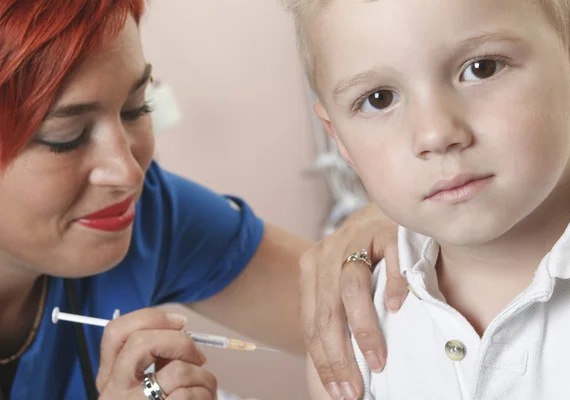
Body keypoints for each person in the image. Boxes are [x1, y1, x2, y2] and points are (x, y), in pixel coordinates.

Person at [0, 1, 407, 399]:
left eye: (136, 108)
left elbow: (356, 317)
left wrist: (384, 222)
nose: (128, 174)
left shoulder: (145, 215)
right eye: (65, 137)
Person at [281, 0, 570, 398]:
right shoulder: (353, 337)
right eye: (379, 99)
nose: (435, 133)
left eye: (481, 68)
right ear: (339, 138)